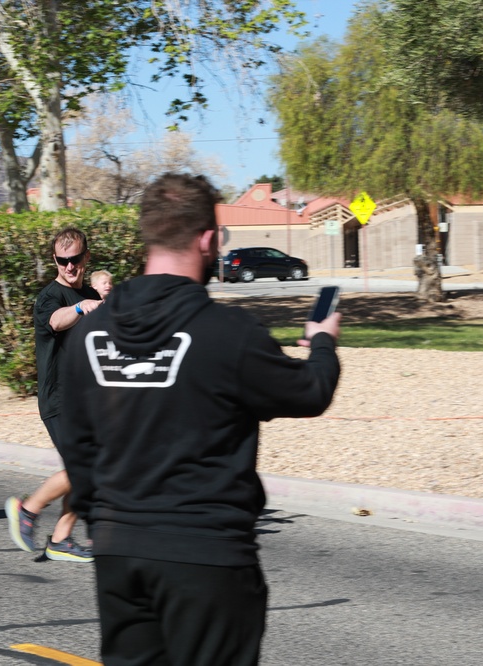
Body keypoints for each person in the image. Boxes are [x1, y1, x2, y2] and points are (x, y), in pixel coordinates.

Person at [58, 173, 342, 665]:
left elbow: (77, 445)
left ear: (148, 236)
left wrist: (101, 522)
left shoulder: (90, 335)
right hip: (207, 556)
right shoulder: (227, 333)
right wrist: (322, 341)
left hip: (118, 555)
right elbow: (310, 392)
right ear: (208, 239)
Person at [5, 227, 102, 563]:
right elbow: (57, 322)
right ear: (55, 261)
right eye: (63, 261)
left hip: (88, 399)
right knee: (83, 467)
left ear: (86, 257)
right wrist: (81, 309)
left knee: (92, 468)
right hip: (59, 400)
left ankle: (60, 539)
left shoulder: (91, 294)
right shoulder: (51, 297)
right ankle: (27, 509)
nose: (69, 267)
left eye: (75, 259)